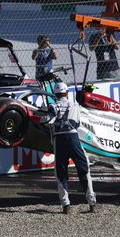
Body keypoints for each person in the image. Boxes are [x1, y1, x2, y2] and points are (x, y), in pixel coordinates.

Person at [40, 82, 96, 214]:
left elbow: (47, 120)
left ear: (55, 94)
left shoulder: (53, 106)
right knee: (84, 169)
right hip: (74, 139)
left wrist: (39, 119)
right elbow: (77, 122)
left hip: (60, 141)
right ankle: (92, 203)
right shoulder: (75, 105)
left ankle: (66, 205)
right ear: (66, 93)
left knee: (61, 173)